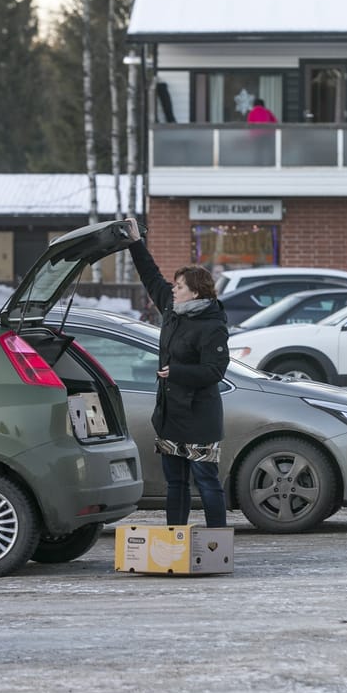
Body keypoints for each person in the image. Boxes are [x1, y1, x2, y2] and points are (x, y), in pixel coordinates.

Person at [123, 217, 230, 528]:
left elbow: (215, 371)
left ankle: (215, 542)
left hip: (200, 419)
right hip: (171, 417)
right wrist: (134, 243)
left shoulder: (212, 325)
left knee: (206, 482)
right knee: (175, 484)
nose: (174, 288)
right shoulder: (172, 309)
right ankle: (175, 539)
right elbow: (150, 276)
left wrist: (177, 372)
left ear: (195, 293)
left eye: (180, 286)